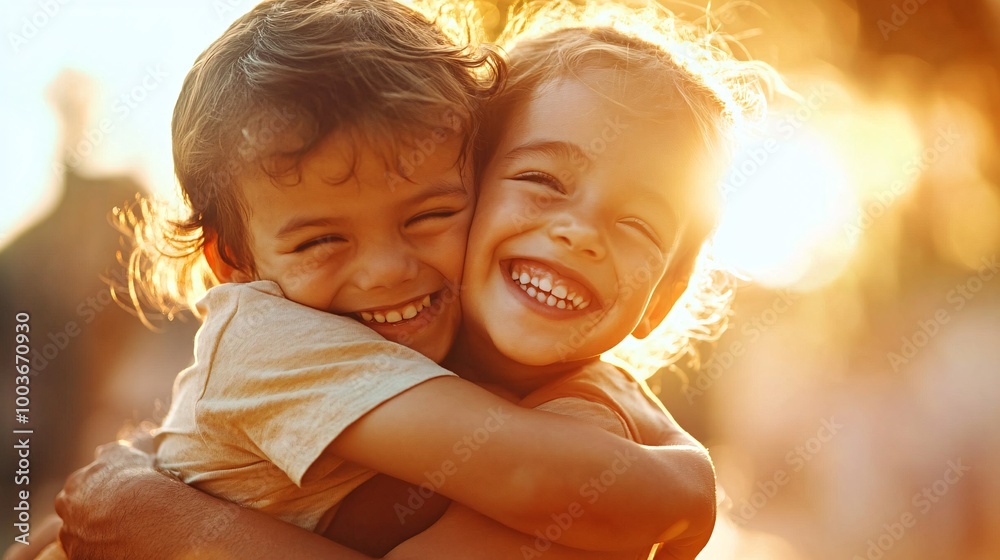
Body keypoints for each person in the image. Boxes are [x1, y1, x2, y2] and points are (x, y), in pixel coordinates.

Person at [36, 1, 777, 559]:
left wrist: (167, 521)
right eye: (544, 179)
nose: (388, 267)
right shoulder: (271, 341)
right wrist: (684, 486)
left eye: (426, 216)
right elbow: (529, 476)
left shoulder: (588, 419)